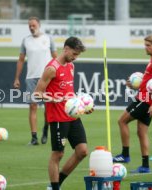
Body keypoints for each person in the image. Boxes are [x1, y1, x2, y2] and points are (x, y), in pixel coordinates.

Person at [34, 37, 89, 190]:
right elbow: (37, 93)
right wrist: (54, 98)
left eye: (78, 55)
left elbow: (70, 92)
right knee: (58, 154)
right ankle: (54, 187)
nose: (75, 58)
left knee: (82, 151)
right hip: (58, 118)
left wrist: (83, 106)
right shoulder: (52, 68)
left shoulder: (71, 66)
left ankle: (57, 183)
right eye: (74, 54)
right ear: (66, 49)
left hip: (73, 115)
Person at [113, 35, 152, 174]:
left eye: (148, 45)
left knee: (122, 121)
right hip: (145, 98)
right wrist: (136, 86)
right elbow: (149, 82)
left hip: (145, 101)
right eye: (145, 45)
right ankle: (145, 166)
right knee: (142, 132)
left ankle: (125, 155)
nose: (145, 47)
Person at [13, 16, 57, 145]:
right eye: (29, 26)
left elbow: (56, 58)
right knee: (33, 106)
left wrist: (58, 76)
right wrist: (16, 78)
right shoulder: (25, 41)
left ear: (39, 25)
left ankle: (45, 129)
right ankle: (34, 138)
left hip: (47, 77)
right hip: (30, 78)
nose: (31, 28)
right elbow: (21, 60)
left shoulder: (48, 39)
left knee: (48, 108)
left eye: (34, 25)